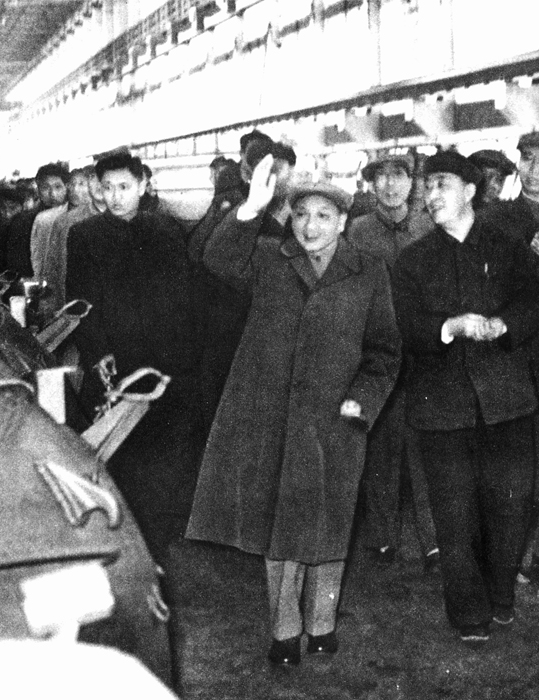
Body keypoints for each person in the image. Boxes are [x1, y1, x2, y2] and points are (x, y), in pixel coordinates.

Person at [187, 155, 401, 665]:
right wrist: (251, 208)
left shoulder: (368, 270)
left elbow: (385, 351)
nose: (310, 226)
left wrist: (364, 399)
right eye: (301, 214)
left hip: (337, 417)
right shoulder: (268, 258)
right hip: (275, 416)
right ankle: (285, 629)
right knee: (281, 527)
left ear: (343, 222)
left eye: (324, 216)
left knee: (330, 521)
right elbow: (217, 259)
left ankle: (322, 622)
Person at [391, 150, 539, 645]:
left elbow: (534, 300)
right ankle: (469, 612)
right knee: (453, 516)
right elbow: (406, 327)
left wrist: (506, 325)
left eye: (442, 184)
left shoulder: (510, 249)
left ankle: (500, 594)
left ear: (471, 191)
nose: (431, 194)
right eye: (427, 185)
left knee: (510, 508)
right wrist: (447, 328)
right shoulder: (412, 261)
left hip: (508, 402)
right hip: (441, 407)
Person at [66, 152, 205, 562]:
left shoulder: (166, 230)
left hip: (164, 360)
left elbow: (183, 298)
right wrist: (98, 354)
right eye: (107, 188)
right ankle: (122, 540)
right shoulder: (85, 235)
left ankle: (159, 540)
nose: (115, 196)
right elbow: (81, 303)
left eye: (124, 187)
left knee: (163, 452)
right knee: (118, 453)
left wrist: (182, 357)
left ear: (143, 185)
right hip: (114, 362)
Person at [346, 153, 437, 570]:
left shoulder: (427, 226)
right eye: (380, 177)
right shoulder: (359, 231)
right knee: (381, 442)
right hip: (379, 348)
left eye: (397, 175)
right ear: (371, 185)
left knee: (426, 443)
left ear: (411, 182)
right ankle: (382, 537)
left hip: (422, 350)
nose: (389, 185)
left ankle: (433, 540)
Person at [187, 138, 295, 436]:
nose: (277, 183)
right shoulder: (237, 215)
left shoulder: (296, 224)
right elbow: (208, 256)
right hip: (227, 334)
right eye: (268, 174)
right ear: (250, 175)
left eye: (282, 174)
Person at [482, 131, 539, 585]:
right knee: (514, 462)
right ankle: (511, 554)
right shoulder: (497, 219)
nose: (535, 170)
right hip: (515, 354)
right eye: (528, 159)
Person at [39, 164, 108, 319]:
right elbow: (51, 270)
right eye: (93, 178)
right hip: (72, 313)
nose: (99, 184)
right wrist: (48, 312)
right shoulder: (65, 222)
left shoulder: (130, 221)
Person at [6, 163, 69, 277]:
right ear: (38, 190)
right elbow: (17, 264)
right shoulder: (23, 222)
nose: (52, 194)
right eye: (45, 188)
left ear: (66, 187)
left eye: (58, 187)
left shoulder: (75, 218)